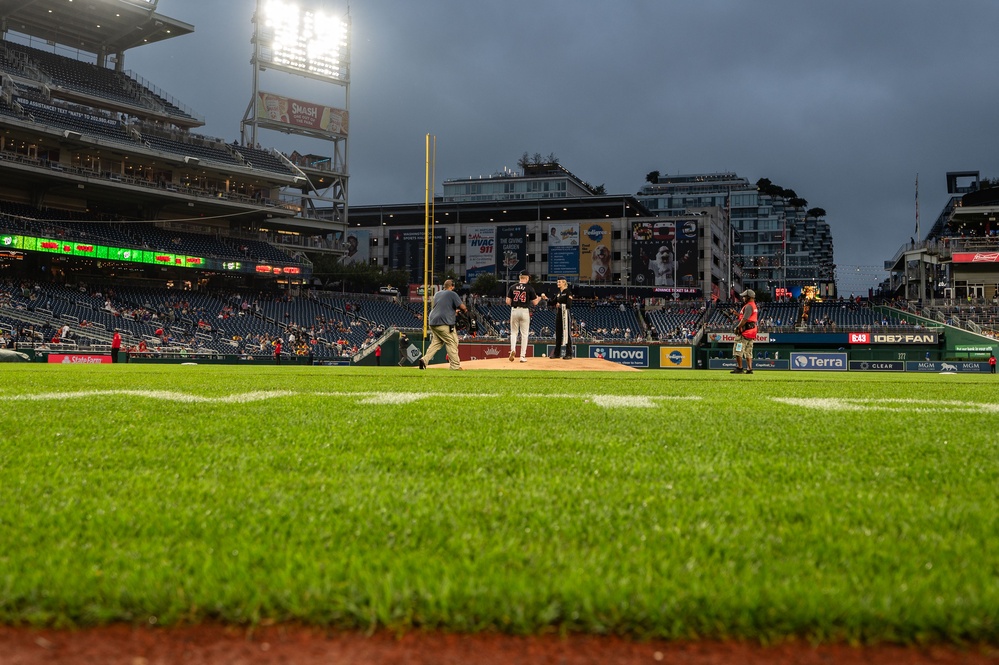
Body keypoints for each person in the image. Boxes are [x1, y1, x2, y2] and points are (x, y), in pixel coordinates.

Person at [418, 279, 467, 370]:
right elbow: (462, 307)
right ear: (452, 286)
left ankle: (424, 360)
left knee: (436, 343)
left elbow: (443, 307)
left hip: (433, 321)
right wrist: (465, 311)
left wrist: (453, 312)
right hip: (444, 322)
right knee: (451, 342)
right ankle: (455, 366)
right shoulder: (452, 294)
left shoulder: (438, 294)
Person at [506, 270, 542, 362]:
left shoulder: (512, 287)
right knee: (524, 334)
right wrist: (539, 298)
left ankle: (513, 349)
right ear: (527, 278)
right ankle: (522, 356)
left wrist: (515, 305)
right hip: (524, 311)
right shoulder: (529, 288)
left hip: (514, 310)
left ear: (520, 278)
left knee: (514, 332)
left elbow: (507, 301)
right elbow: (534, 303)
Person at [731, 289, 758, 375]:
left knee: (738, 349)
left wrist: (738, 327)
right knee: (748, 351)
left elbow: (745, 319)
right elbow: (746, 317)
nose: (743, 298)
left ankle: (740, 368)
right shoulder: (753, 305)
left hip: (745, 332)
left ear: (749, 297)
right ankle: (749, 369)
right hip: (751, 331)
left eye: (744, 296)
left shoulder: (749, 306)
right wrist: (736, 314)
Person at [550, 278, 573, 359]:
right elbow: (552, 302)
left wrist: (560, 305)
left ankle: (569, 353)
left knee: (567, 333)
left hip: (565, 314)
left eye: (559, 282)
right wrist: (545, 298)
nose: (558, 283)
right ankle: (557, 353)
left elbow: (569, 305)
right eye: (557, 282)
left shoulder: (568, 292)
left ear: (564, 283)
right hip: (559, 314)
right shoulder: (559, 293)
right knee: (558, 334)